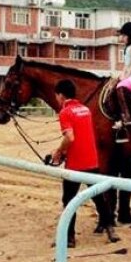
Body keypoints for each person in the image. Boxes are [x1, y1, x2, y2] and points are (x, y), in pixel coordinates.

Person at [45, 79, 119, 248]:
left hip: (75, 164)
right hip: (91, 160)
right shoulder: (85, 110)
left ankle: (69, 237)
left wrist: (58, 152)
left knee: (69, 200)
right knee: (99, 198)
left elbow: (70, 137)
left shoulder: (65, 112)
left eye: (56, 96)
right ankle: (110, 229)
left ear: (61, 95)